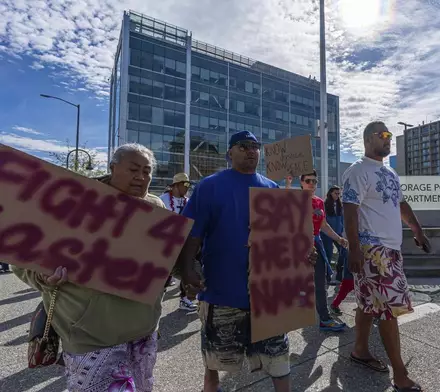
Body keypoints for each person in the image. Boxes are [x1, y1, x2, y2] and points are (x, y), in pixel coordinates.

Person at [13, 143, 166, 391]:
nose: (141, 177)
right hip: (93, 334)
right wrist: (42, 275)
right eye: (134, 169)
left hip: (143, 331)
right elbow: (21, 259)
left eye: (147, 171)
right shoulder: (73, 202)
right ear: (113, 167)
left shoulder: (156, 207)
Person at [175, 131, 316, 392]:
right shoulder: (209, 186)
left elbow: (285, 240)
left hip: (268, 296)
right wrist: (186, 271)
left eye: (255, 146)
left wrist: (303, 255)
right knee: (214, 367)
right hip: (221, 293)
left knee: (279, 366)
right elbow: (191, 234)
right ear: (230, 152)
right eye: (243, 146)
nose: (251, 150)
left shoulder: (272, 189)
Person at [343, 121, 430, 392]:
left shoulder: (390, 171)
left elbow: (400, 203)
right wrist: (355, 249)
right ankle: (400, 375)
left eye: (389, 135)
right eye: (383, 135)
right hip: (373, 250)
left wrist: (416, 228)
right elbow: (349, 209)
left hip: (390, 249)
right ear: (369, 139)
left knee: (368, 304)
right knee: (390, 309)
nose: (388, 139)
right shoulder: (357, 170)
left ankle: (359, 350)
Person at [298, 171, 348, 332]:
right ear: (301, 182)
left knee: (320, 281)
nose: (312, 183)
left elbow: (323, 225)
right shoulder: (294, 200)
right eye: (308, 180)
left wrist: (338, 238)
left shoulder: (319, 202)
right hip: (297, 246)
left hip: (315, 244)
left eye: (314, 181)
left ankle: (325, 319)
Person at [160, 173, 197, 312]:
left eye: (189, 185)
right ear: (175, 185)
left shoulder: (188, 202)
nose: (187, 188)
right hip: (166, 243)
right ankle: (156, 299)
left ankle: (185, 299)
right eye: (184, 184)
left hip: (184, 243)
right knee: (163, 274)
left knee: (186, 270)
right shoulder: (162, 200)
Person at [322, 186, 347, 283]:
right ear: (331, 193)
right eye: (336, 193)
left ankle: (339, 274)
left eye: (339, 194)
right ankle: (327, 277)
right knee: (328, 253)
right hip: (327, 233)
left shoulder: (340, 205)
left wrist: (342, 231)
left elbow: (342, 219)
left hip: (338, 233)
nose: (338, 196)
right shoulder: (325, 204)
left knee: (344, 251)